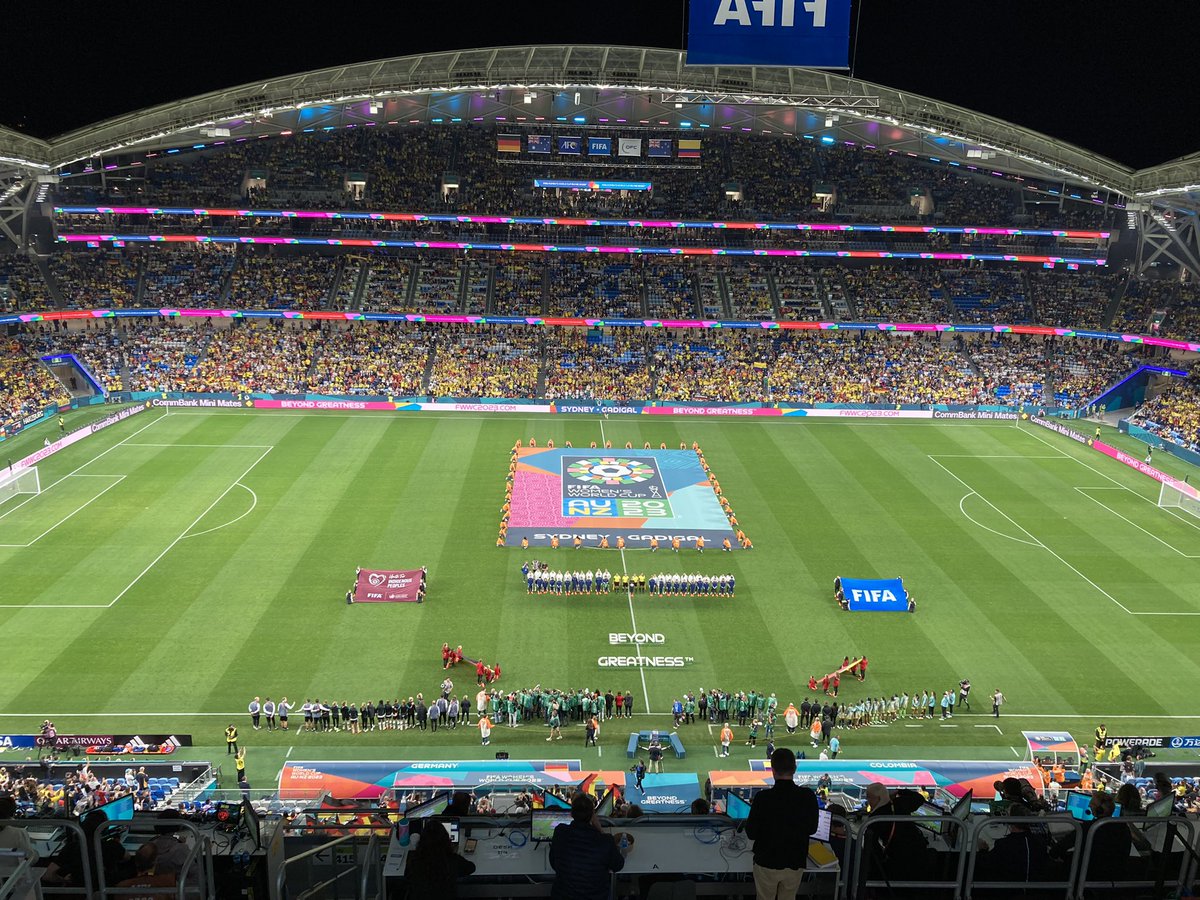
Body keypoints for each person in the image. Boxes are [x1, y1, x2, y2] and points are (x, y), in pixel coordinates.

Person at [745, 748, 819, 900]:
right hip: (795, 861)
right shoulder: (807, 796)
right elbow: (812, 829)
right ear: (795, 769)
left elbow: (751, 833)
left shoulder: (763, 798)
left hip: (766, 862)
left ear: (772, 770)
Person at [549, 793, 626, 900]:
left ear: (571, 813)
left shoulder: (560, 832)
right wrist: (599, 829)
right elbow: (618, 866)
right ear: (592, 815)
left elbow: (553, 863)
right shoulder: (605, 841)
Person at [406, 816, 476, 896]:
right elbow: (471, 868)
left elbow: (407, 876)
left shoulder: (413, 858)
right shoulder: (452, 860)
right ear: (446, 840)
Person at [0, 796, 37, 862]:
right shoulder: (18, 833)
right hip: (13, 872)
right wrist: (35, 853)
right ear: (12, 813)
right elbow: (31, 859)